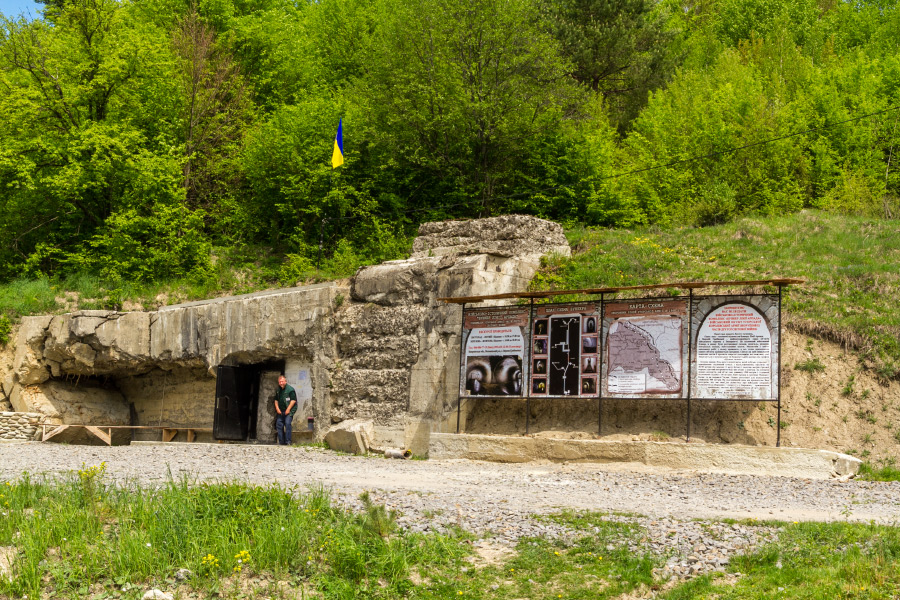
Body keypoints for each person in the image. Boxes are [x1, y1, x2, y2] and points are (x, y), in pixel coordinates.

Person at [274, 375, 297, 445]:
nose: (281, 383)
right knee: (279, 425)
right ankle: (281, 442)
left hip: (289, 411)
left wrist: (288, 409)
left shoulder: (290, 390)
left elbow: (293, 401)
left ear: (285, 381)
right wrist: (277, 409)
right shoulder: (278, 390)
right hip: (281, 411)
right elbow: (276, 400)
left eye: (282, 381)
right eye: (280, 382)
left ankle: (288, 441)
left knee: (287, 423)